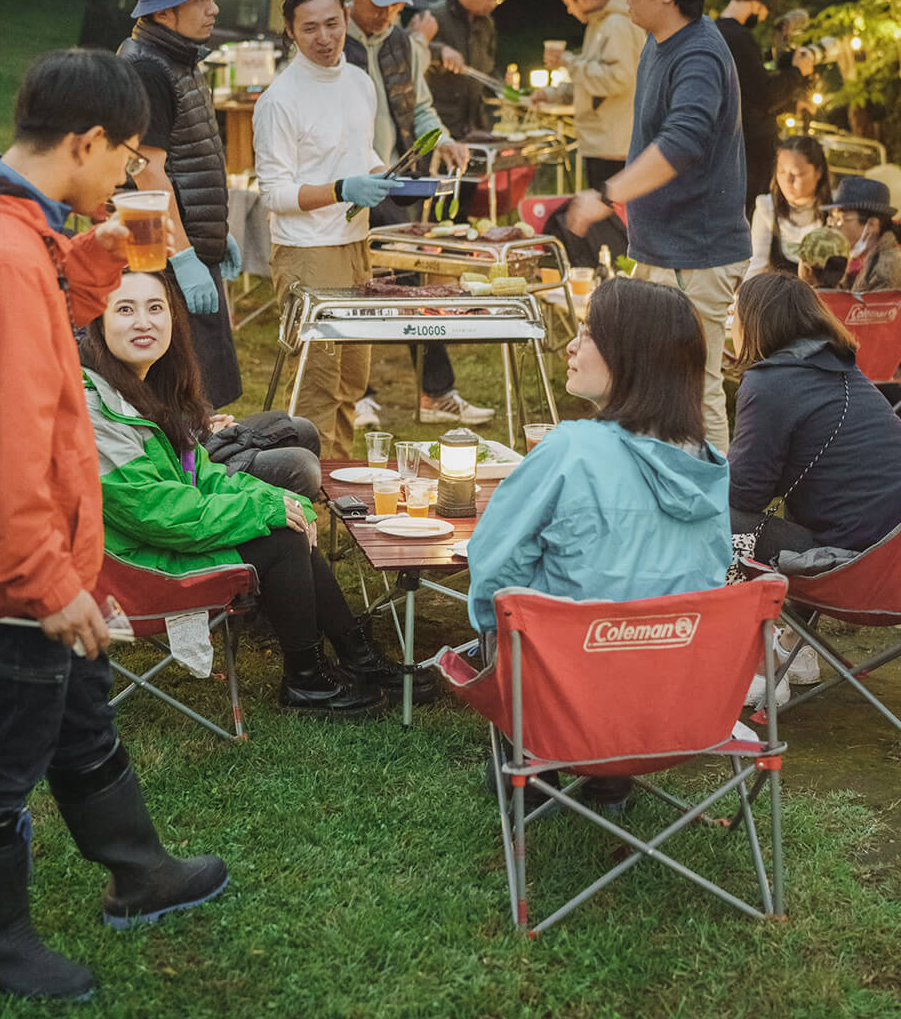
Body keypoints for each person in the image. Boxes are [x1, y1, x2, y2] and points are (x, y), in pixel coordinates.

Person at [0, 49, 228, 1002]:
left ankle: (139, 871)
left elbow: (40, 327)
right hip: (0, 572)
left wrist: (102, 256)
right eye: (125, 154)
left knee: (79, 717)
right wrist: (48, 584)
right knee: (2, 756)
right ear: (84, 139)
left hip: (33, 556)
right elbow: (0, 447)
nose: (129, 174)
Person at [79, 269, 423, 711]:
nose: (143, 321)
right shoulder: (97, 409)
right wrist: (268, 509)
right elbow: (157, 514)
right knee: (278, 535)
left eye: (155, 308)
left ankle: (355, 656)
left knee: (283, 515)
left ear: (173, 321)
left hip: (149, 541)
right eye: (125, 309)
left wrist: (280, 501)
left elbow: (203, 476)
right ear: (99, 324)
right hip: (128, 566)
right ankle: (307, 678)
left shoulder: (141, 391)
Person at [467, 277, 732, 809]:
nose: (569, 345)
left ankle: (533, 782)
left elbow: (493, 571)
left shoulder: (570, 448)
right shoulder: (706, 462)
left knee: (506, 614)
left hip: (571, 694)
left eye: (586, 334)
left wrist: (489, 629)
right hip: (680, 698)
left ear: (628, 355)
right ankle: (610, 783)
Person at [567, 0, 751, 452]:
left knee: (696, 389)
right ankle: (661, 490)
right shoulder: (658, 41)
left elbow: (684, 141)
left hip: (698, 253)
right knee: (651, 386)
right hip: (663, 248)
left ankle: (716, 514)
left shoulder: (698, 53)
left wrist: (606, 195)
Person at [344, 0, 492, 426]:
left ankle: (436, 392)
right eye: (379, 4)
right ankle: (355, 393)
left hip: (395, 178)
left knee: (414, 278)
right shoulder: (330, 37)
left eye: (396, 6)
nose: (388, 14)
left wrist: (444, 139)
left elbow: (422, 109)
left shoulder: (406, 46)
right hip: (344, 183)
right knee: (350, 284)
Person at [253, 0, 396, 454]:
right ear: (290, 31)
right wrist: (340, 189)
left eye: (332, 24)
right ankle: (308, 499)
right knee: (318, 381)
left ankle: (340, 485)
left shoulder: (358, 80)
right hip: (306, 251)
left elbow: (359, 149)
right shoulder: (279, 100)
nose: (324, 37)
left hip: (355, 241)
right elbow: (274, 192)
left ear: (347, 20)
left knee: (355, 374)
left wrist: (386, 175)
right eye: (309, 27)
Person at [117, 0, 243, 407]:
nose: (213, 8)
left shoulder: (179, 59)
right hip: (165, 257)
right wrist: (187, 257)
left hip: (191, 242)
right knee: (186, 396)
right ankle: (187, 476)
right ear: (165, 10)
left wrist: (215, 233)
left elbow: (190, 156)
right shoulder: (147, 68)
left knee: (209, 392)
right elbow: (146, 172)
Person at [728, 272, 901, 564]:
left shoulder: (767, 383)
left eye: (735, 314)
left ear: (753, 323)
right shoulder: (844, 369)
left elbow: (743, 496)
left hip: (854, 559)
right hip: (889, 554)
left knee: (709, 516)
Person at [530, 0, 643, 193]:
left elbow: (616, 79)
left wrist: (567, 62)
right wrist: (553, 93)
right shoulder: (600, 22)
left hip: (615, 144)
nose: (569, 10)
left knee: (611, 221)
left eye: (568, 3)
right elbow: (590, 79)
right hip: (603, 142)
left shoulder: (617, 24)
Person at [715, 0, 815, 211]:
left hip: (729, 146)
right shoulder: (738, 37)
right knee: (753, 215)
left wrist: (791, 105)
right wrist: (797, 73)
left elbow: (747, 93)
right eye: (764, 11)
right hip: (750, 152)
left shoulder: (714, 30)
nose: (762, 17)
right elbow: (764, 96)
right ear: (757, 4)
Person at [422, 0, 514, 142]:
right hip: (441, 124)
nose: (493, 4)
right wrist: (440, 51)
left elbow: (487, 69)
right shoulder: (435, 15)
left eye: (498, 0)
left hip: (474, 124)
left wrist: (506, 90)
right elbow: (410, 52)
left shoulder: (486, 24)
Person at [745, 135, 830, 278]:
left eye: (796, 174)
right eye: (781, 172)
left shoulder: (835, 211)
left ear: (818, 172)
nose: (787, 181)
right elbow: (755, 266)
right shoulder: (767, 208)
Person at [821, 176, 901, 291]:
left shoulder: (886, 270)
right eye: (833, 219)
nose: (834, 227)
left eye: (841, 219)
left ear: (872, 225)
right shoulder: (856, 260)